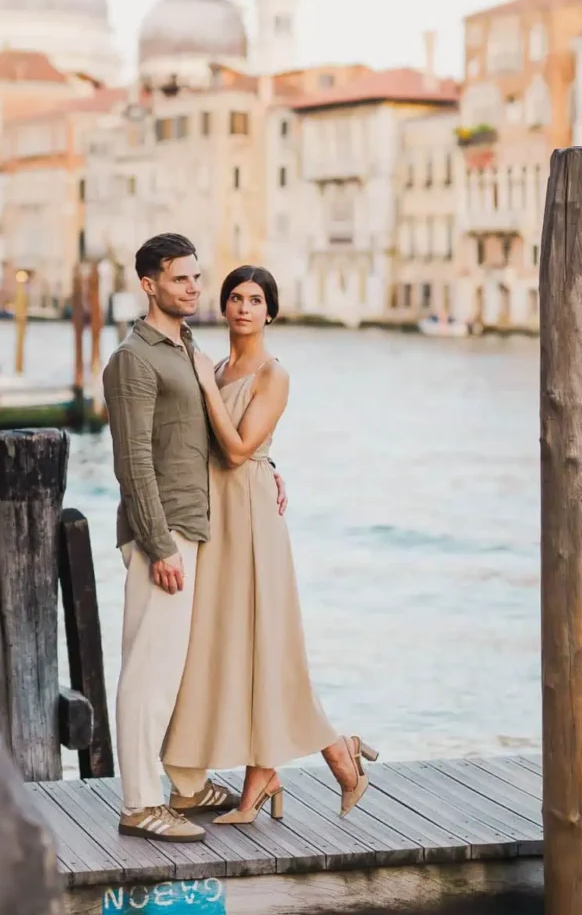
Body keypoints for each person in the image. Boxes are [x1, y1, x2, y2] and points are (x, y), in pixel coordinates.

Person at [163, 264, 377, 825]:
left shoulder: (271, 374)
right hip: (217, 515)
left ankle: (307, 760)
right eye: (235, 297)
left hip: (253, 518)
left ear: (271, 312)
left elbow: (237, 451)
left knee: (269, 642)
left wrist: (212, 393)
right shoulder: (217, 364)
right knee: (234, 642)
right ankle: (298, 762)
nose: (243, 307)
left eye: (256, 299)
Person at [103, 233, 287, 841]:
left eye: (196, 278)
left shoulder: (186, 347)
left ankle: (185, 785)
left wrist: (271, 468)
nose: (193, 289)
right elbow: (132, 461)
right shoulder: (135, 357)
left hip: (196, 524)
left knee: (178, 667)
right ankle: (138, 802)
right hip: (166, 530)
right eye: (181, 279)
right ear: (149, 284)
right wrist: (158, 546)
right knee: (149, 671)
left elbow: (209, 432)